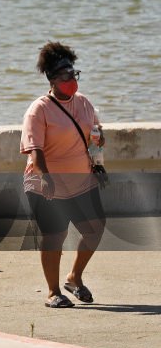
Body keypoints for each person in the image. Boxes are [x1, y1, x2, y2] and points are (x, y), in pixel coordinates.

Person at [21, 41, 106, 309]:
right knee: (54, 236)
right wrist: (46, 177)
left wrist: (99, 147)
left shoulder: (84, 103)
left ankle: (74, 277)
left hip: (81, 179)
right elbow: (35, 149)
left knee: (95, 228)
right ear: (52, 79)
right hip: (47, 182)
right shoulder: (39, 109)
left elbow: (94, 137)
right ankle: (53, 292)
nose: (72, 80)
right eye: (66, 76)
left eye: (74, 74)